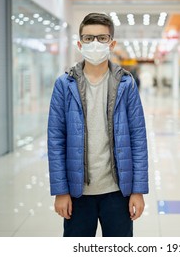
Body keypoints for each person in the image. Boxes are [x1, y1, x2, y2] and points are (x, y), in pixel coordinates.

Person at [47, 12, 148, 237]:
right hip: (77, 192)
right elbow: (56, 140)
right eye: (88, 38)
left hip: (118, 191)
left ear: (112, 43)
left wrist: (138, 191)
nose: (95, 44)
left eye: (102, 38)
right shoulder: (64, 84)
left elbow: (138, 138)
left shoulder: (126, 83)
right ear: (79, 43)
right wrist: (61, 191)